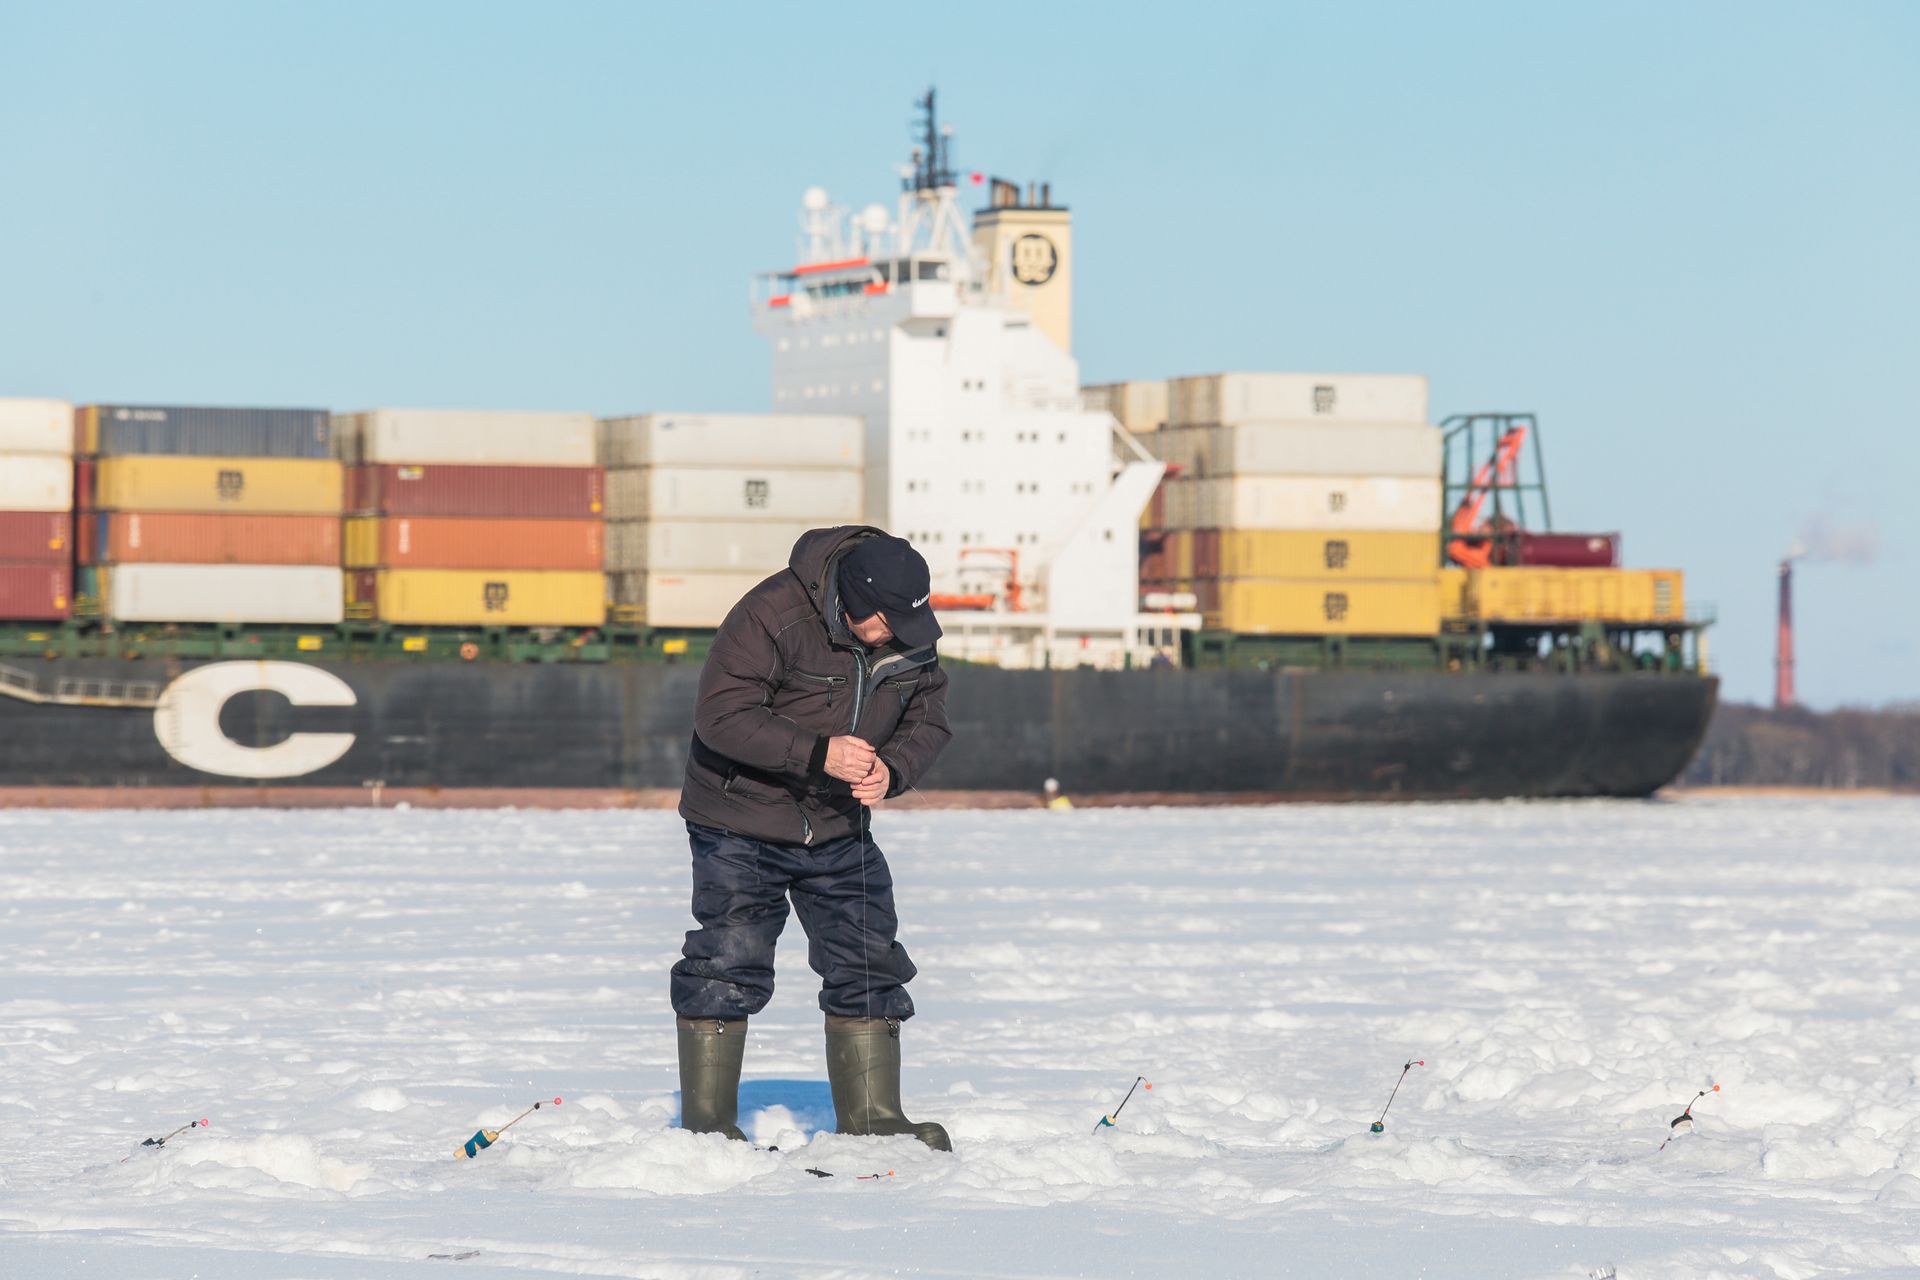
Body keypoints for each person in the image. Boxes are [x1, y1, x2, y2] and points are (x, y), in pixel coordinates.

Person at [671, 527, 953, 1151]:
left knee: (868, 956)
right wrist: (818, 753)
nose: (900, 635)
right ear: (853, 600)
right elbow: (721, 716)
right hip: (738, 821)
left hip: (837, 827)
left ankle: (875, 1118)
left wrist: (894, 769)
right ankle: (708, 1129)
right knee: (727, 958)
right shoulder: (771, 614)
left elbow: (928, 715)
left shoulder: (905, 632)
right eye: (886, 622)